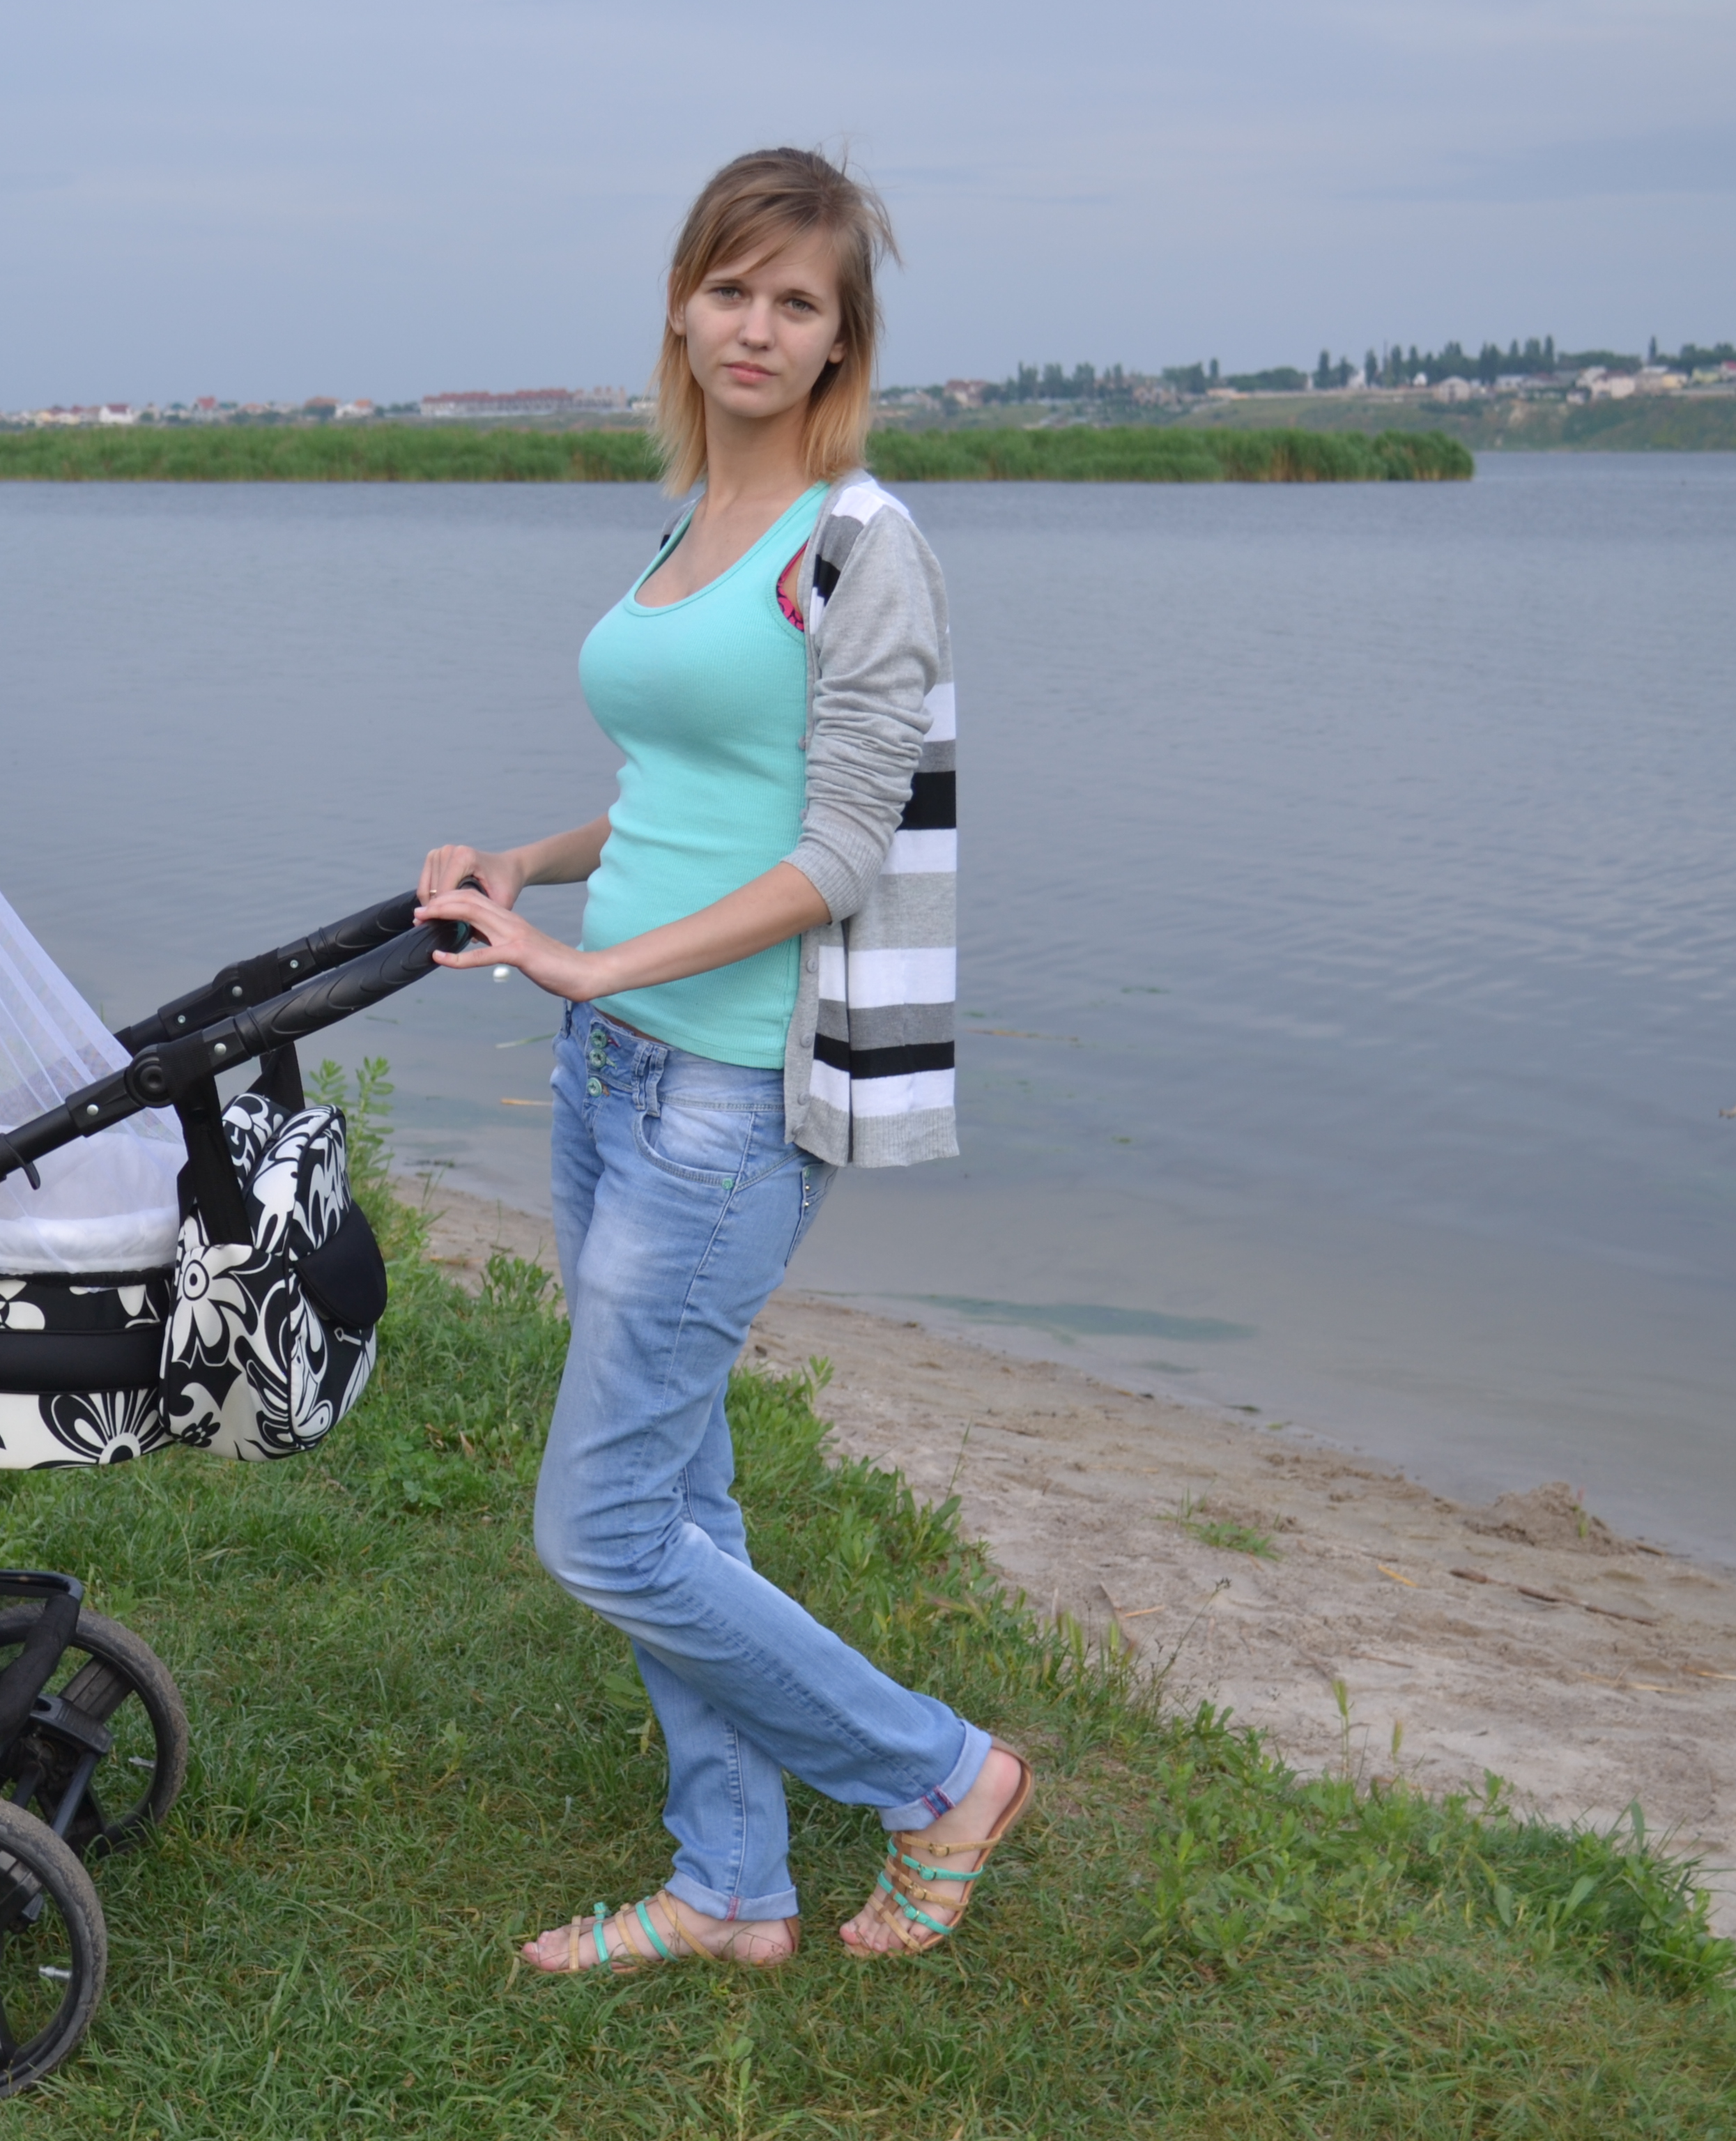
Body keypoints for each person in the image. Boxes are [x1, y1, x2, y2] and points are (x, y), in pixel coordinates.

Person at [413, 148, 1029, 1973]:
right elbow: (685, 796)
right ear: (683, 307)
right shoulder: (690, 524)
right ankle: (732, 1885)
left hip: (733, 1090)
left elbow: (835, 851)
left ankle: (942, 1777)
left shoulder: (862, 545)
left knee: (602, 1529)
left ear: (843, 341)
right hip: (609, 1069)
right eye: (730, 287)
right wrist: (530, 866)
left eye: (798, 301)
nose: (757, 325)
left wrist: (592, 960)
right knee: (677, 1493)